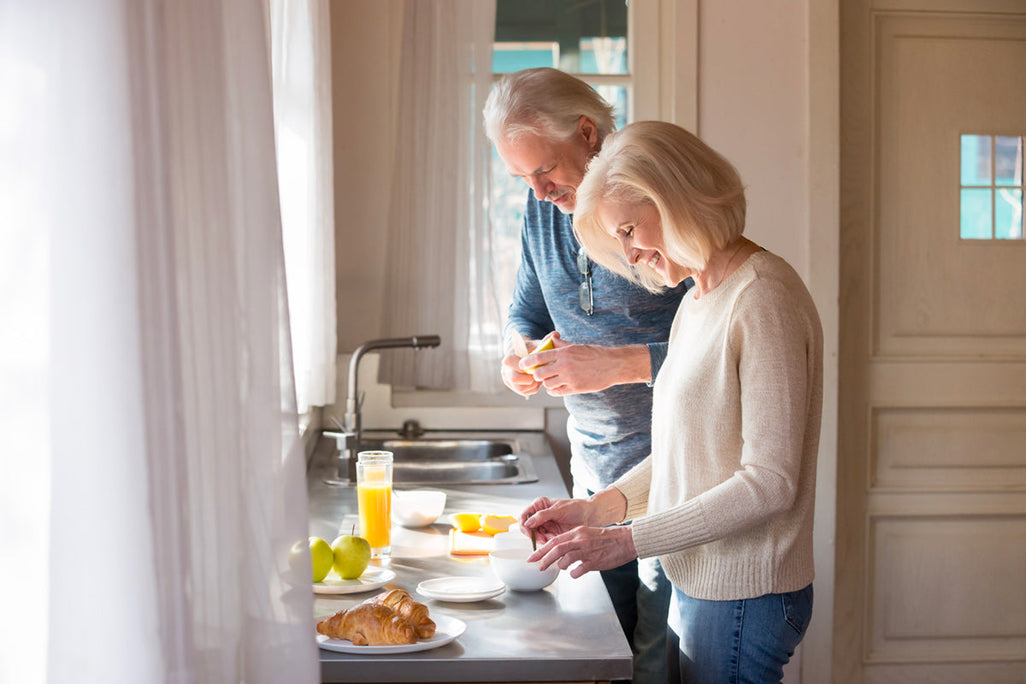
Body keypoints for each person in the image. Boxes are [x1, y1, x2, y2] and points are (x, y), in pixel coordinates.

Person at [520, 120, 823, 684]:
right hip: (706, 583)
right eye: (620, 240)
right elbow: (690, 454)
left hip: (744, 594)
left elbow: (770, 482)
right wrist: (598, 509)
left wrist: (628, 541)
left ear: (677, 197)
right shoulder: (701, 297)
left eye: (631, 229)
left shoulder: (763, 297)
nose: (631, 256)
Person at [483, 68, 688, 684]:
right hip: (591, 471)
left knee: (654, 661)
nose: (539, 190)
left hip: (671, 478)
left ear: (588, 133)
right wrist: (517, 349)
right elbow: (527, 306)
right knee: (601, 651)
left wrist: (616, 364)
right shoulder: (541, 209)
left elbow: (722, 347)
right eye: (522, 178)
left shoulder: (656, 201)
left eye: (543, 171)